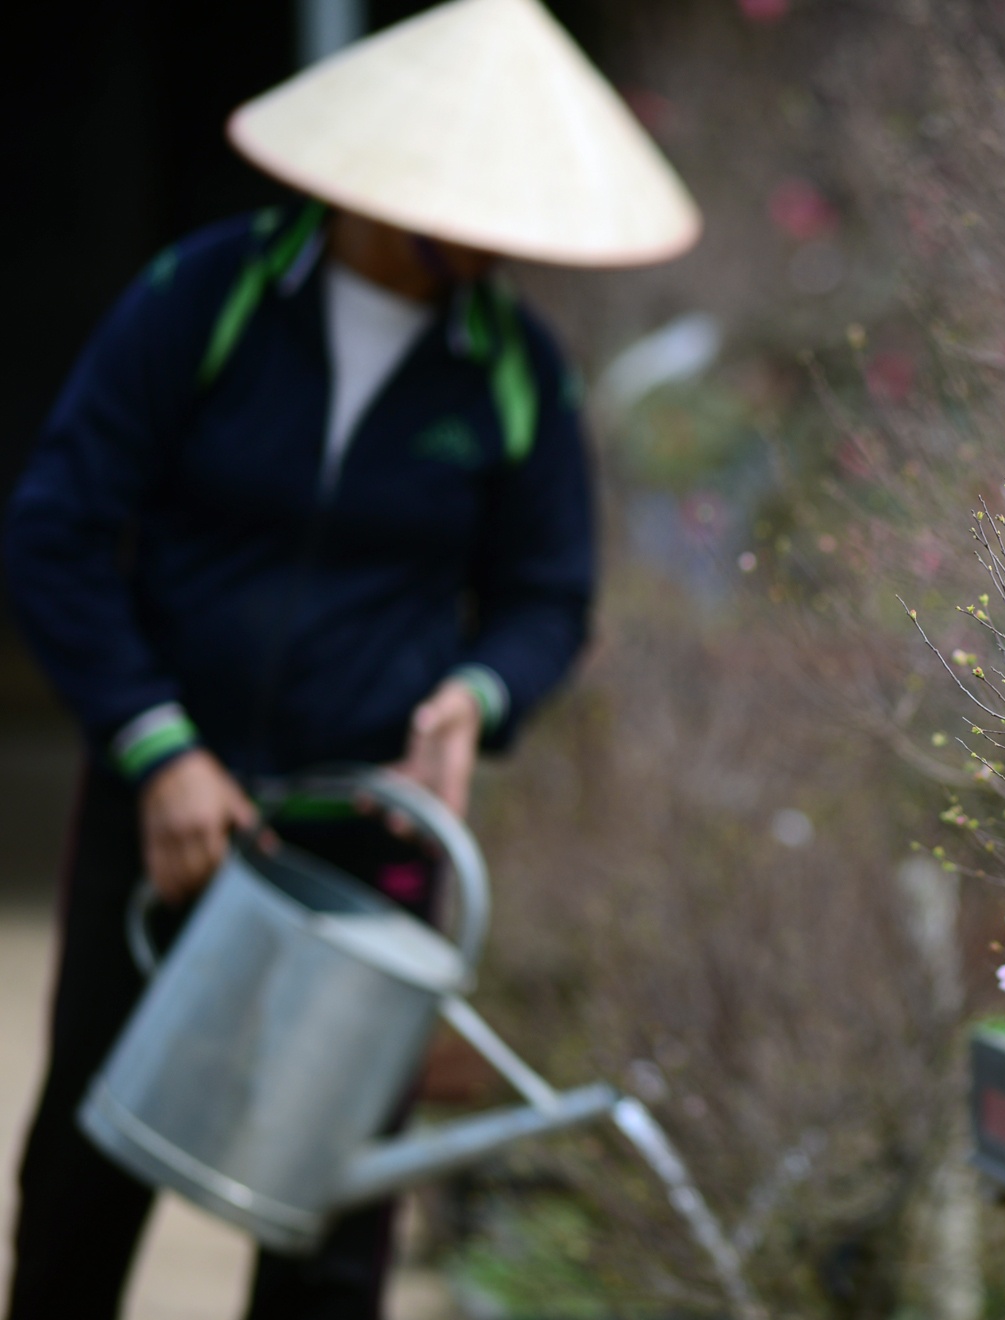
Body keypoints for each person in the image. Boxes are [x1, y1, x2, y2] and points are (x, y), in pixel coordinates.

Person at [1, 1, 698, 1315]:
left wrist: (476, 697)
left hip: (371, 836)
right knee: (86, 1182)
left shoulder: (512, 374)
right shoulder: (206, 299)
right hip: (172, 810)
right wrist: (155, 743)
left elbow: (548, 596)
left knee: (325, 1220)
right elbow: (56, 532)